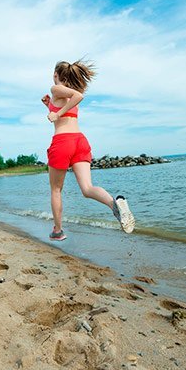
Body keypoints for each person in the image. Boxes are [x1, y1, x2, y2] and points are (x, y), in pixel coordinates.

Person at [43, 58, 135, 240]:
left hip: (62, 142)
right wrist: (49, 106)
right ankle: (115, 205)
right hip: (80, 141)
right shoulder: (69, 95)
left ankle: (58, 230)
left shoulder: (55, 89)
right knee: (87, 188)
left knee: (56, 190)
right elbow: (68, 109)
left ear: (55, 75)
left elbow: (73, 103)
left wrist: (56, 113)